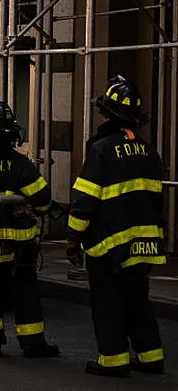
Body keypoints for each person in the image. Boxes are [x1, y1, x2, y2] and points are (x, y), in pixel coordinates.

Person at [66, 75, 166, 377]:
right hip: (144, 243)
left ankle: (113, 361)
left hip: (109, 245)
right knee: (138, 301)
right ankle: (151, 358)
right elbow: (156, 203)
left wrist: (73, 239)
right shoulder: (150, 152)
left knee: (108, 303)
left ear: (106, 114)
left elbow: (85, 199)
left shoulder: (101, 150)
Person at [0, 100, 60, 359]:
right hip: (19, 245)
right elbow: (43, 199)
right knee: (25, 293)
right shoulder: (20, 164)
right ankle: (32, 343)